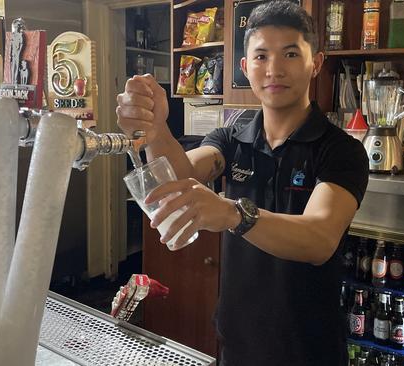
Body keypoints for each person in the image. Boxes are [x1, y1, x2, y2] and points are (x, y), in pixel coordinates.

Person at [116, 1, 369, 364]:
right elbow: (182, 175)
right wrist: (156, 130)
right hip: (236, 345)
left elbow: (319, 238)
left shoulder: (340, 151)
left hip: (308, 351)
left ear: (317, 62)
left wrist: (235, 214)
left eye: (291, 54)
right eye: (261, 56)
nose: (275, 69)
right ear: (245, 66)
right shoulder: (232, 140)